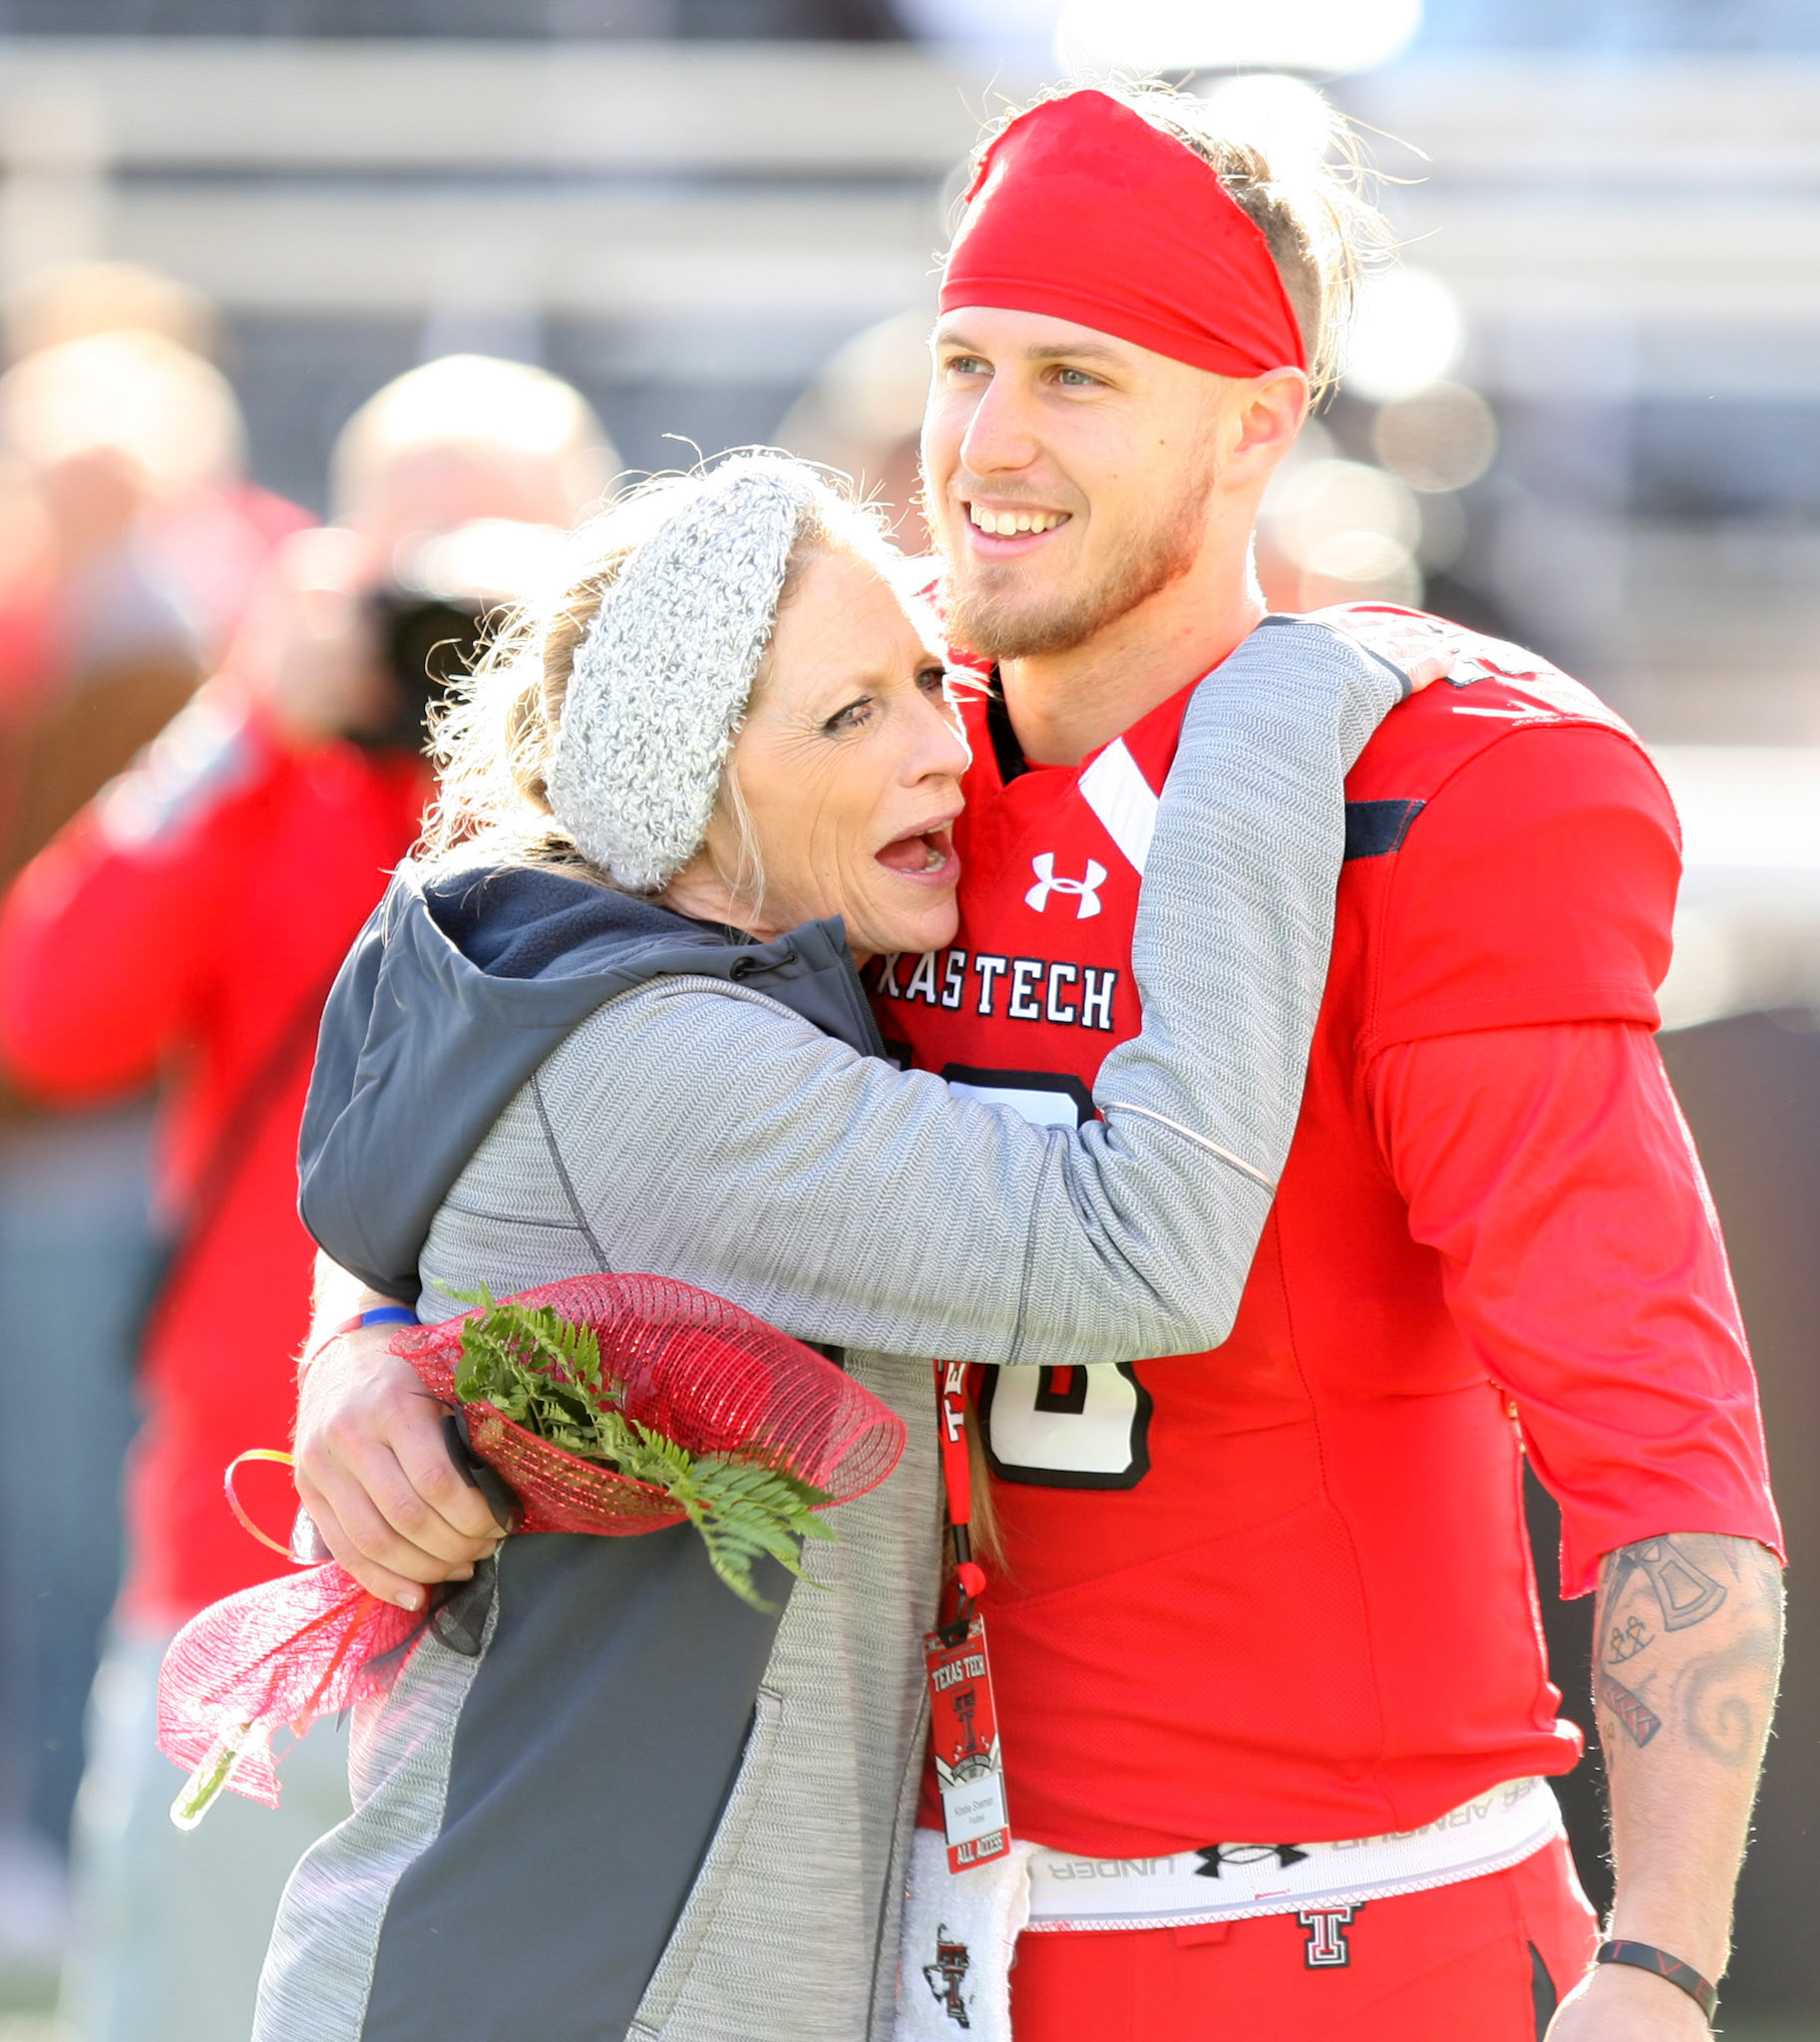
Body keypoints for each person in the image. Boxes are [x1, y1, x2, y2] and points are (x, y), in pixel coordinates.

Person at [307, 85, 1785, 2042]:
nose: (986, 444)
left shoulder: (1433, 779)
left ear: (1258, 417)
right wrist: (358, 1334)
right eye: (965, 363)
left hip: (1327, 1917)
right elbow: (495, 990)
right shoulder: (860, 727)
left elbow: (1648, 1405)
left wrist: (1665, 1945)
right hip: (883, 1922)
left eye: (1075, 378)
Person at [258, 451, 1434, 2042]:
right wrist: (1266, 721)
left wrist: (363, 1339)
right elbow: (1138, 1249)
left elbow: (430, 1222)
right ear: (689, 780)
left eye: (924, 684)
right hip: (574, 1986)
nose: (945, 751)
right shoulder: (668, 1058)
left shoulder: (577, 949)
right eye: (849, 716)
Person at [0, 354, 613, 2042]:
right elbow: (49, 1013)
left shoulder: (644, 812)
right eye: (427, 558)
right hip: (242, 1549)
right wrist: (242, 720)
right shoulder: (267, 777)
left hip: (563, 1577)